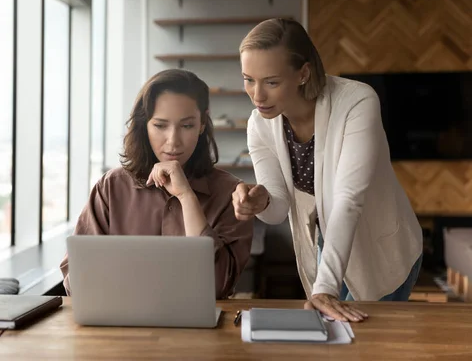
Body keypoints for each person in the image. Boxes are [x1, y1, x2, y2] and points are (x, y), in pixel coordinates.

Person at [232, 18, 423, 322]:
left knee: (372, 345)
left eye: (271, 82)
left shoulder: (357, 101)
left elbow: (348, 198)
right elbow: (279, 208)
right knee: (333, 341)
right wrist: (261, 200)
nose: (257, 96)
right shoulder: (260, 124)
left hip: (381, 247)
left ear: (303, 73)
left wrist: (324, 289)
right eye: (248, 79)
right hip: (328, 241)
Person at [60, 69, 254, 299]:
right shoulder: (111, 187)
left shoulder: (230, 193)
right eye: (160, 125)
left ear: (202, 123)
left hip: (200, 332)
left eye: (187, 126)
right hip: (120, 326)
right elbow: (75, 283)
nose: (173, 141)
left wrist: (186, 197)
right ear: (145, 125)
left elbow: (216, 287)